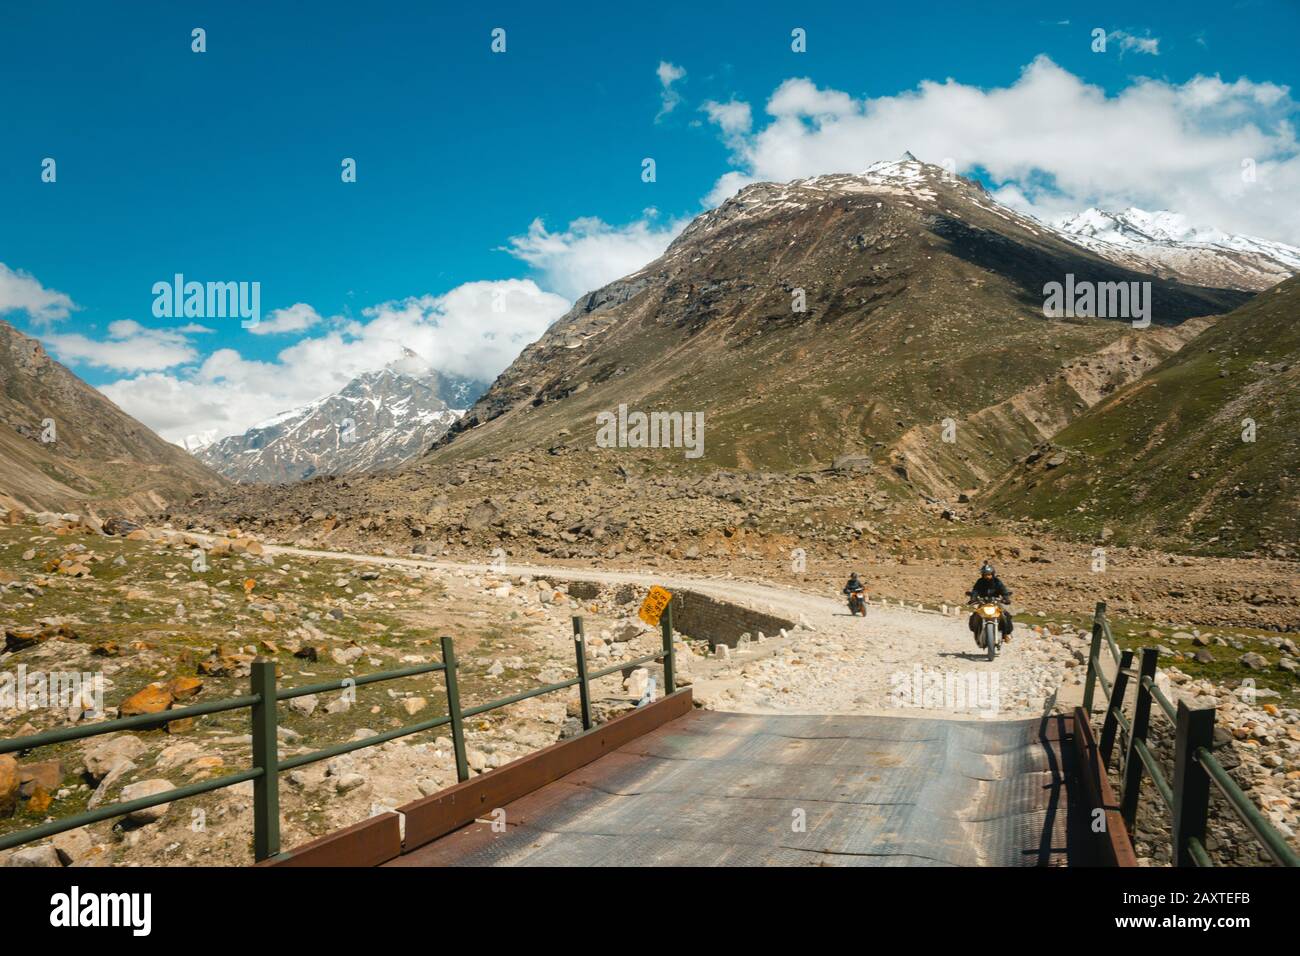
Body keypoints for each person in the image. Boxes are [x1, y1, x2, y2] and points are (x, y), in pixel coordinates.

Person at [967, 562, 1013, 645]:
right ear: (982, 575)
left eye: (989, 574)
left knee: (1006, 615)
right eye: (985, 574)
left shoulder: (997, 582)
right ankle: (977, 633)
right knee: (974, 616)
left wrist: (1006, 598)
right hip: (983, 602)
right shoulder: (980, 582)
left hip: (995, 602)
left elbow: (1003, 590)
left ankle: (1006, 634)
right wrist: (973, 598)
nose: (987, 576)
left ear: (992, 574)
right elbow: (975, 590)